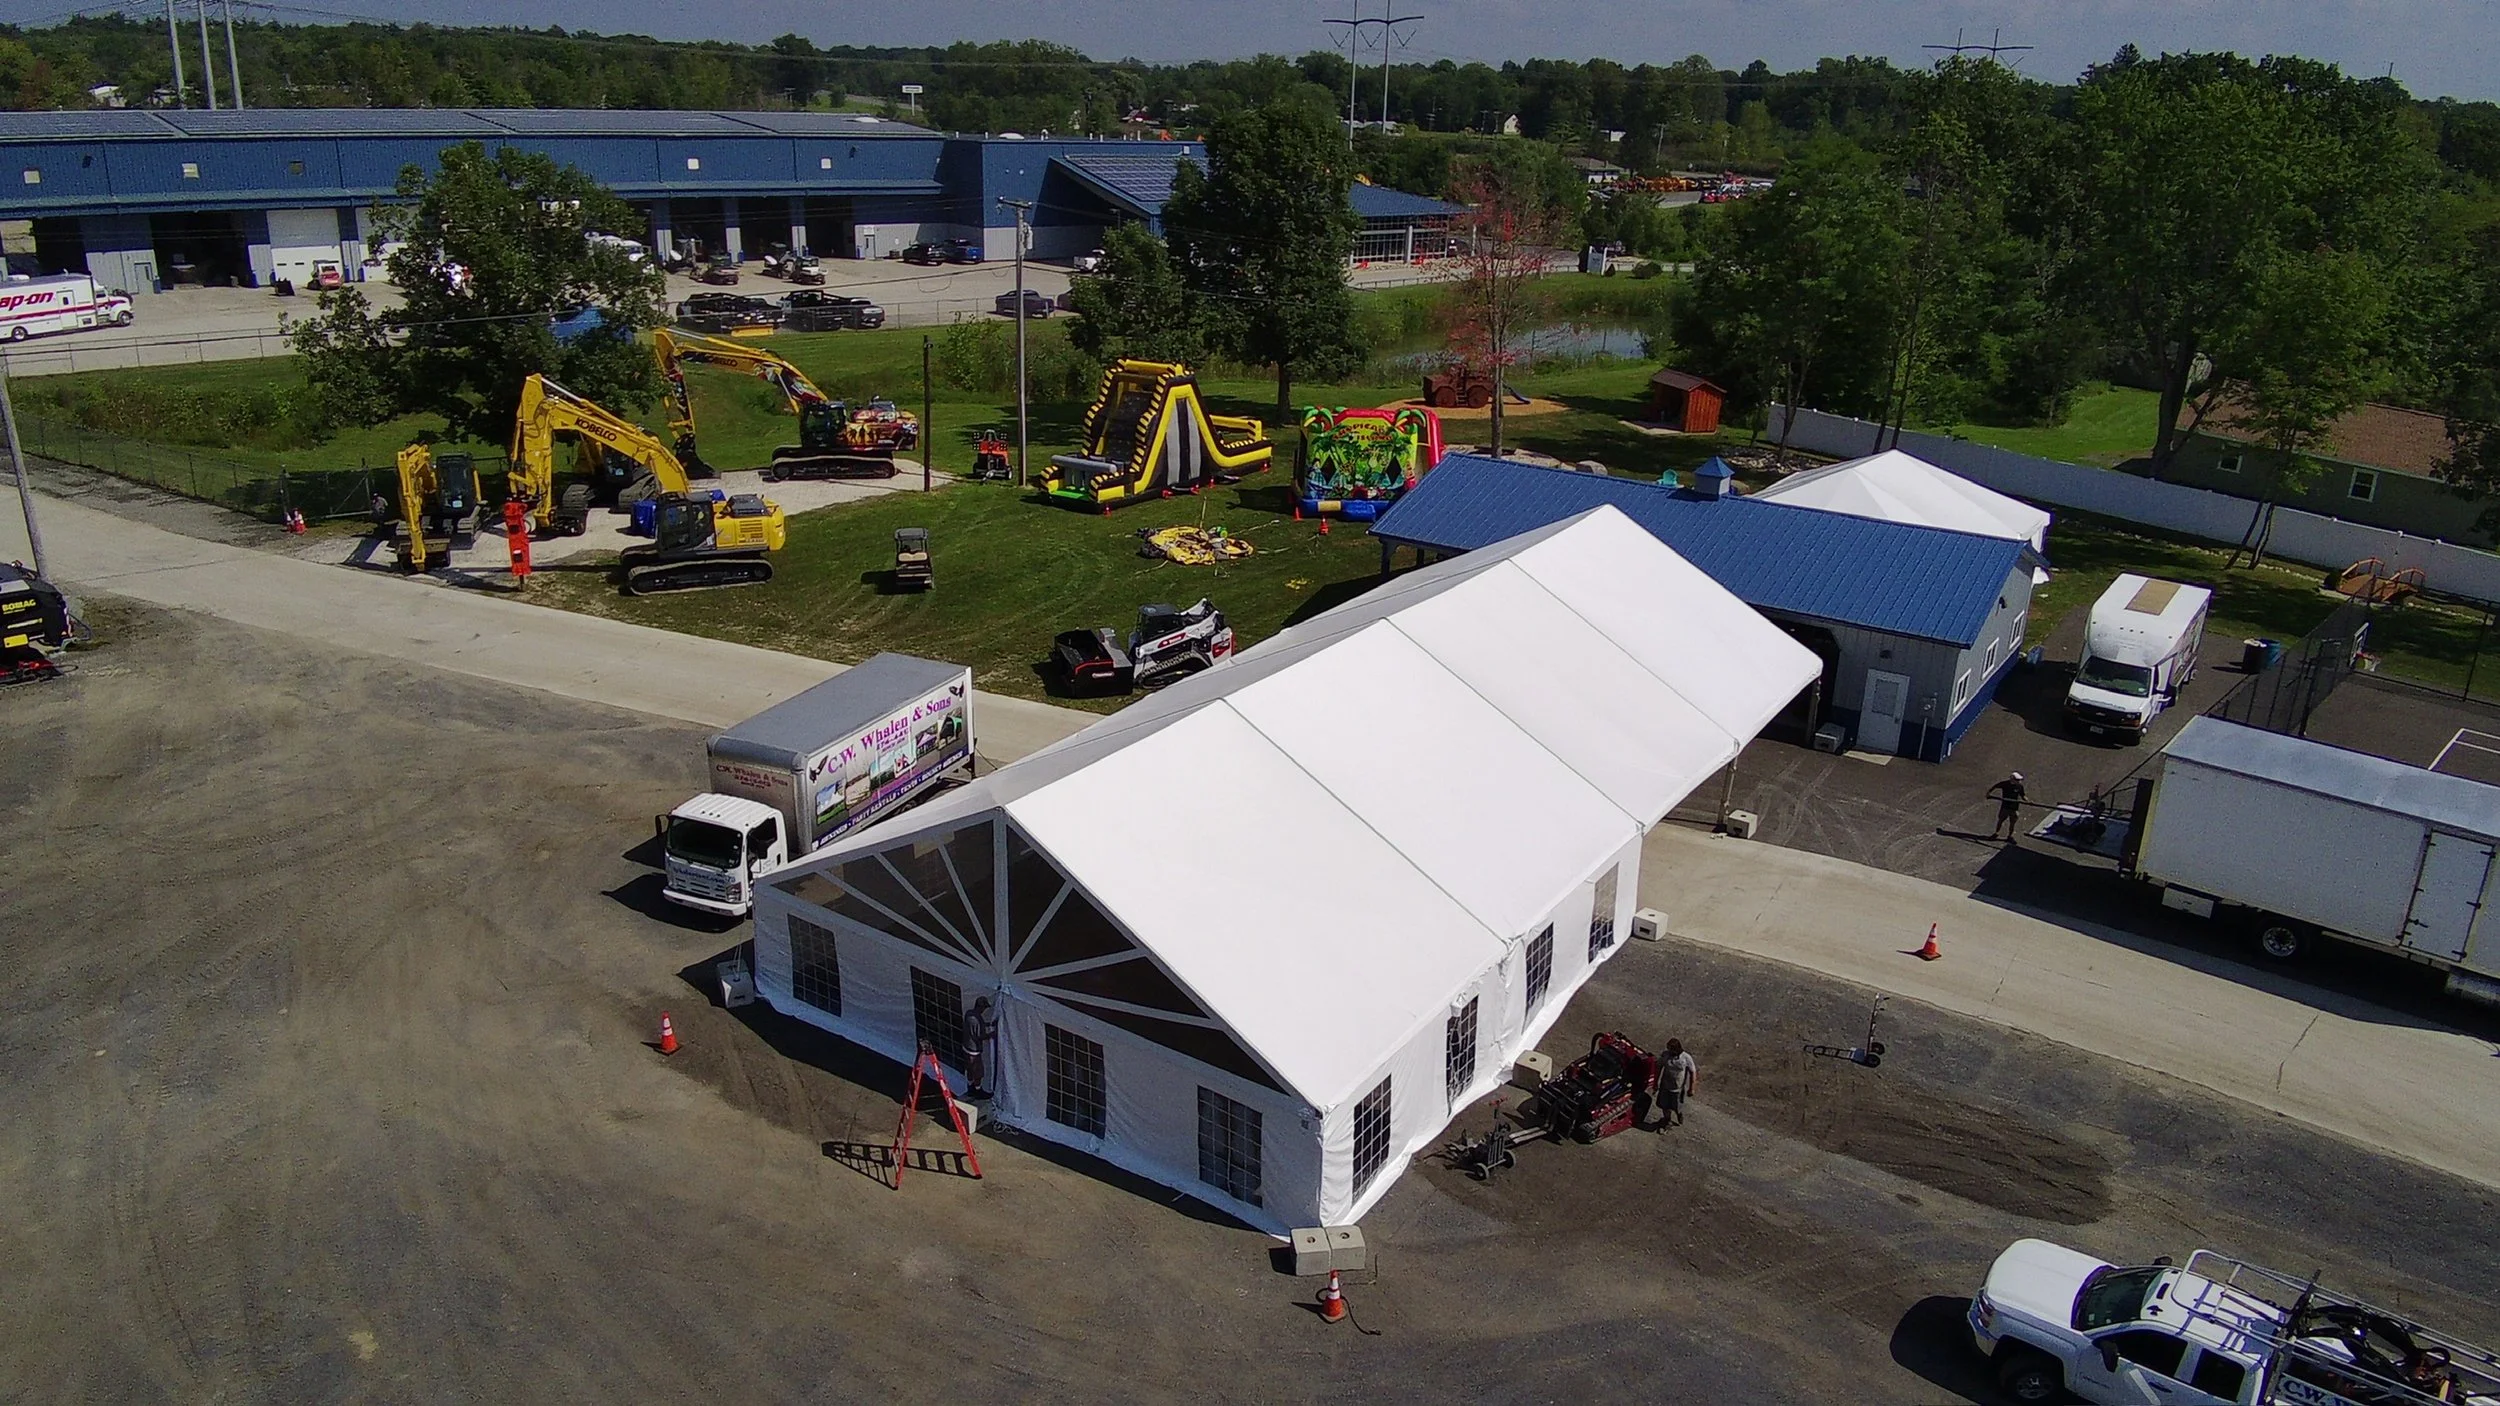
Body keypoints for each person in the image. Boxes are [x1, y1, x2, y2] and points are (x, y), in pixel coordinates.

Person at [962, 996, 998, 1099]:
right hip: (974, 1051)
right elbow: (978, 1037)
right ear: (980, 1007)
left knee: (969, 1069)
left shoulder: (969, 1013)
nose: (984, 1010)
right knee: (978, 1071)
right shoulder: (976, 1019)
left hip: (966, 1047)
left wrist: (988, 1025)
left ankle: (970, 1087)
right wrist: (991, 1035)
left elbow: (977, 1027)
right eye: (984, 1008)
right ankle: (978, 1091)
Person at [1657, 1038, 1697, 1129]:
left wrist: (1692, 1088)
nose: (1669, 1051)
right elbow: (1658, 1067)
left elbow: (1693, 1072)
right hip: (1665, 1086)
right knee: (1665, 1106)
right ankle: (1667, 1120)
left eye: (1671, 1049)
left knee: (1677, 1106)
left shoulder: (1686, 1058)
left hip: (1677, 1089)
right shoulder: (1665, 1055)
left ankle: (1679, 1114)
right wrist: (1656, 1082)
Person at [1987, 771, 2028, 841]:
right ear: (2012, 779)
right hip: (2005, 807)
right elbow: (1995, 786)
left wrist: (2027, 800)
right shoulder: (2005, 784)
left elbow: (2023, 795)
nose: (2019, 781)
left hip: (2014, 808)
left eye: (2019, 780)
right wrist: (1988, 793)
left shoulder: (2020, 786)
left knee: (2012, 823)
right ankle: (1996, 833)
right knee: (2000, 820)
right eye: (2017, 780)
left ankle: (2010, 836)